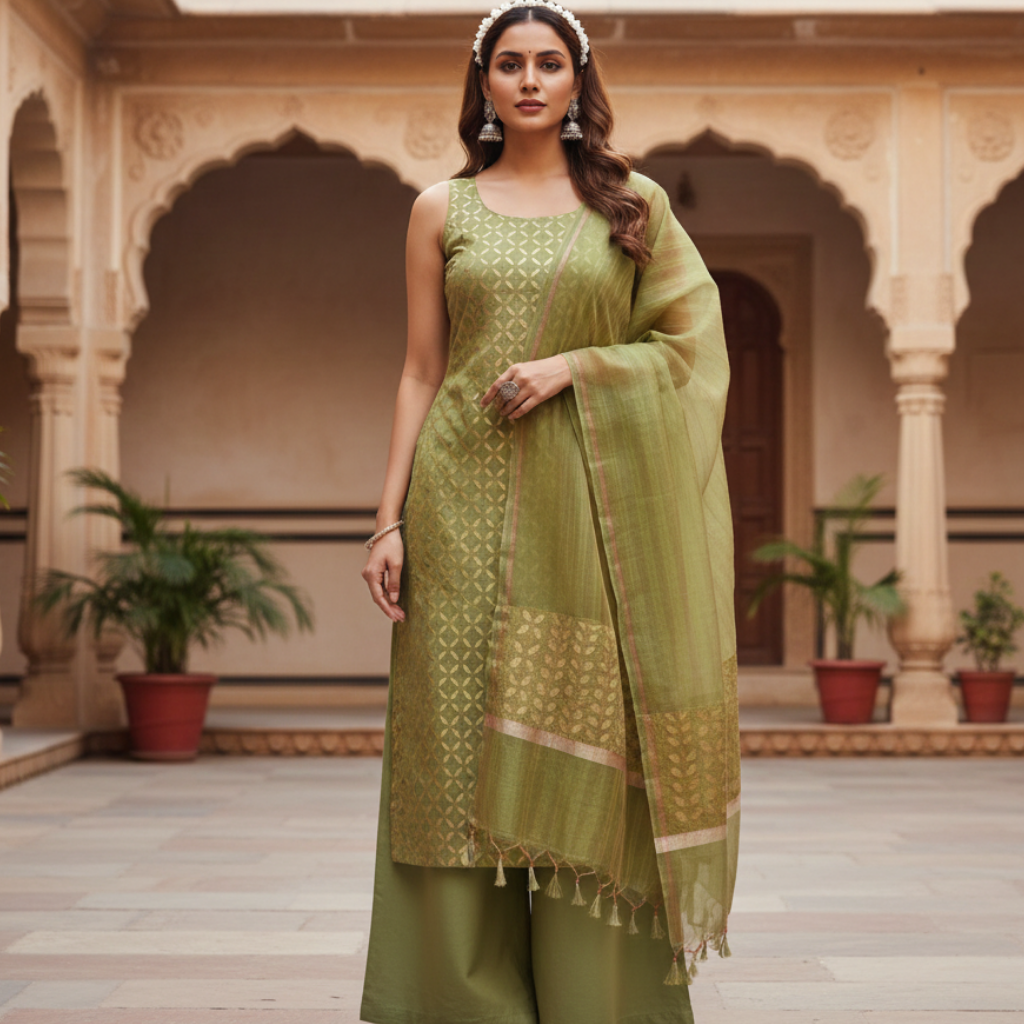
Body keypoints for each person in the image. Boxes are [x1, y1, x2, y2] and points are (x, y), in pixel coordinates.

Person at [359, 3, 740, 1021]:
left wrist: (578, 365)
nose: (530, 80)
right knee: (449, 764)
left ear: (579, 81)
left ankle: (596, 1002)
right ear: (482, 83)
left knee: (586, 754)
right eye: (511, 64)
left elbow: (691, 352)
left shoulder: (633, 205)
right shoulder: (439, 208)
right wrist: (385, 518)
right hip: (456, 507)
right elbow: (419, 371)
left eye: (550, 63)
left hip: (590, 526)